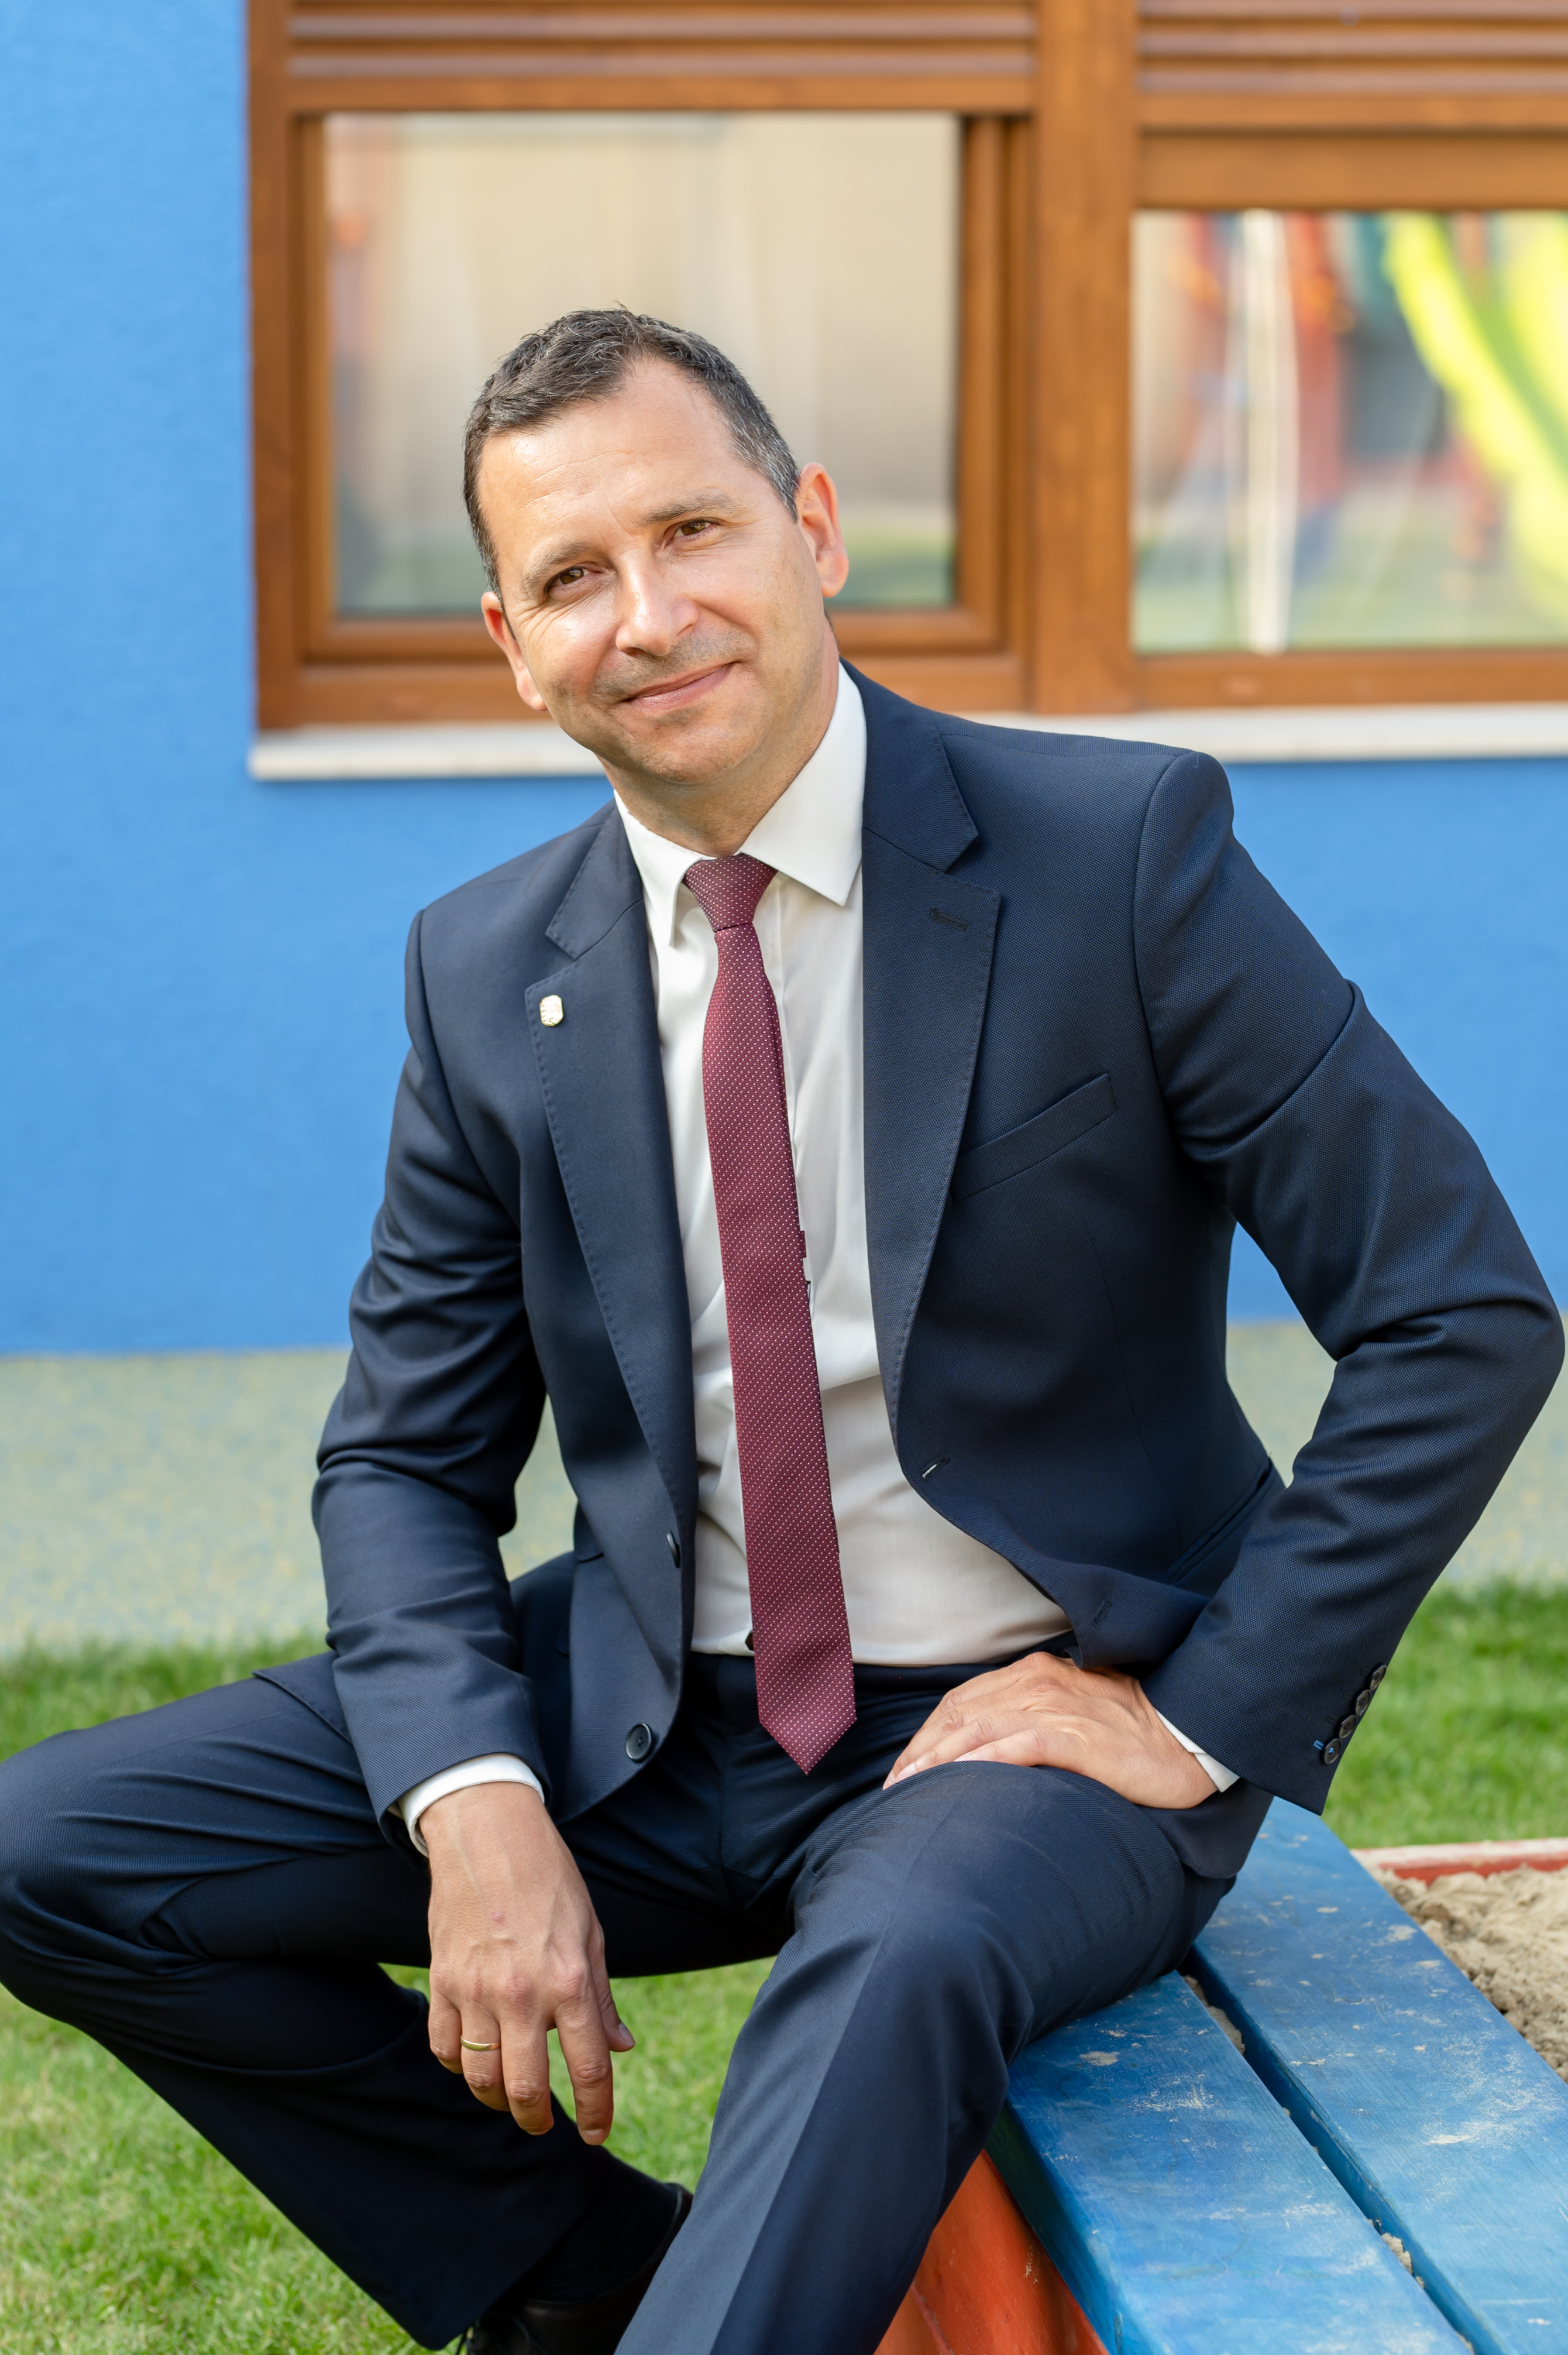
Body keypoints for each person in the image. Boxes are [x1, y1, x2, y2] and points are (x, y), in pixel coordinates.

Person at [0, 309, 1560, 2355]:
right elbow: (400, 1455)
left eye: (692, 532)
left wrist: (1195, 1717)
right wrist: (473, 1801)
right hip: (651, 1716)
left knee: (891, 1964)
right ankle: (584, 2278)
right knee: (51, 1848)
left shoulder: (1121, 860)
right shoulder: (485, 968)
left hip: (1027, 1720)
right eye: (574, 576)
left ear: (812, 528)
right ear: (512, 642)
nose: (649, 618)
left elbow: (1458, 1310)